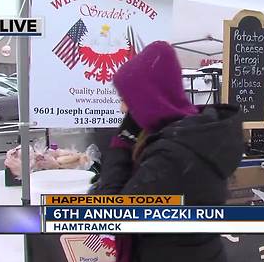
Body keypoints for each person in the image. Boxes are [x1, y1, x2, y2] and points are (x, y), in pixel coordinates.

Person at [89, 41, 244, 262]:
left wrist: (122, 144)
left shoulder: (175, 154)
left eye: (127, 100)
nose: (123, 109)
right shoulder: (185, 136)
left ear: (149, 99)